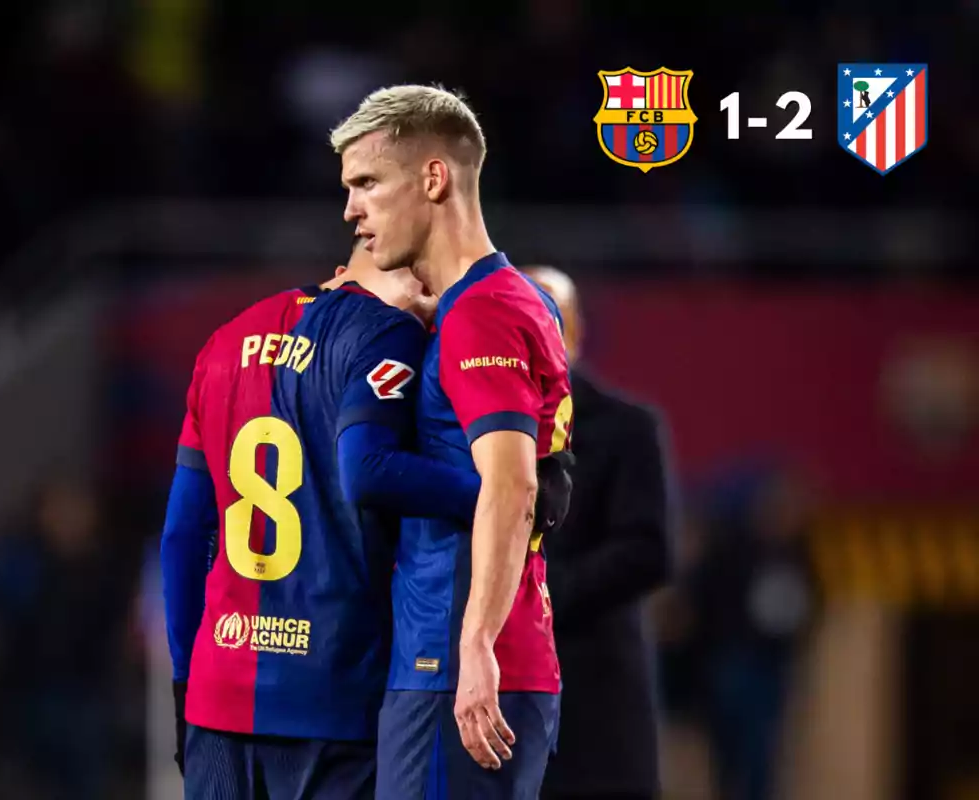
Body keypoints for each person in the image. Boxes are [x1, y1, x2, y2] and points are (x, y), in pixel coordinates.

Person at [161, 238, 573, 799]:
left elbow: (184, 535)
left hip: (219, 691)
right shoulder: (387, 334)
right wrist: (501, 492)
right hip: (334, 689)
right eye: (426, 289)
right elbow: (371, 467)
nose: (434, 310)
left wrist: (184, 684)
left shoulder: (224, 343)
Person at [331, 85, 573, 799]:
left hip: (457, 662)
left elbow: (515, 483)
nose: (351, 210)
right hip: (482, 654)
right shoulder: (512, 302)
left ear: (433, 178)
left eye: (368, 183)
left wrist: (473, 648)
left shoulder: (482, 319)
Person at [525, 266, 675, 800]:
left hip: (594, 691)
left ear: (575, 333)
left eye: (550, 320)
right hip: (501, 693)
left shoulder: (626, 427)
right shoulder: (469, 430)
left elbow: (649, 550)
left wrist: (541, 597)